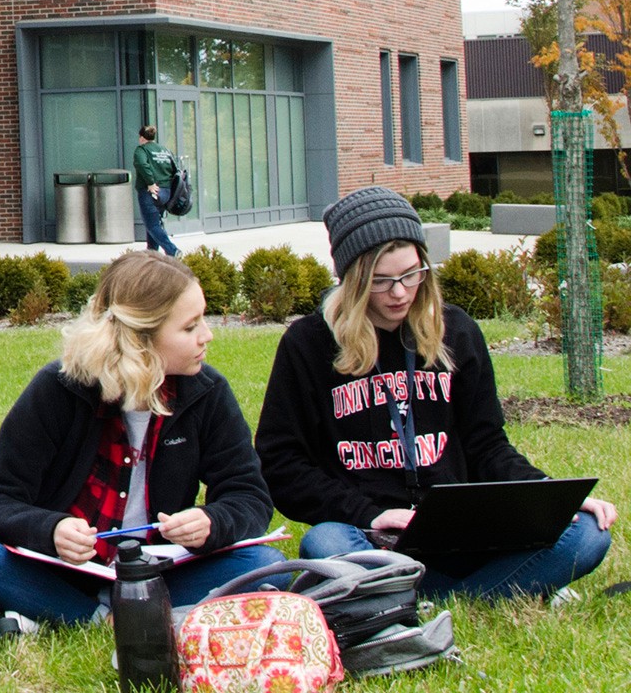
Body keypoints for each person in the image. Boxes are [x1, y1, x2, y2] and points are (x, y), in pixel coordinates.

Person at [254, 186, 617, 600]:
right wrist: (370, 513)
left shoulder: (456, 330)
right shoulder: (308, 344)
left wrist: (551, 496)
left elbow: (487, 445)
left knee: (587, 535)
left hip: (461, 528)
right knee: (324, 545)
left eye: (411, 275)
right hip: (369, 532)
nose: (399, 293)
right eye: (382, 281)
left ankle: (413, 599)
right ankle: (496, 590)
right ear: (352, 279)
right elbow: (281, 464)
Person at [0, 251, 286, 625]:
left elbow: (249, 497)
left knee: (267, 566)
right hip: (62, 573)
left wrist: (211, 521)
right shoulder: (60, 388)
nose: (207, 335)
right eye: (189, 327)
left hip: (158, 572)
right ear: (141, 337)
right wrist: (52, 530)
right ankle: (97, 617)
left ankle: (78, 614)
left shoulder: (206, 392)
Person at [132, 125, 180, 258]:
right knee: (153, 224)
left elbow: (142, 164)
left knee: (152, 225)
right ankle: (152, 254)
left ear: (142, 138)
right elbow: (174, 169)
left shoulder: (141, 150)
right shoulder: (164, 150)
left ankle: (172, 251)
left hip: (150, 192)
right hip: (165, 193)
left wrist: (150, 182)